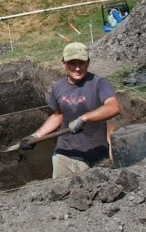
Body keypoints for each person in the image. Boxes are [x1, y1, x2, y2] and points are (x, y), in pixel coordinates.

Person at [20, 42, 121, 179]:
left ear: (88, 63)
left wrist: (84, 118)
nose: (78, 68)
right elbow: (58, 115)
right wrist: (36, 136)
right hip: (65, 156)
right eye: (72, 63)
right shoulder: (58, 87)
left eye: (82, 63)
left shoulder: (99, 83)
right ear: (63, 63)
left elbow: (113, 107)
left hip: (95, 154)